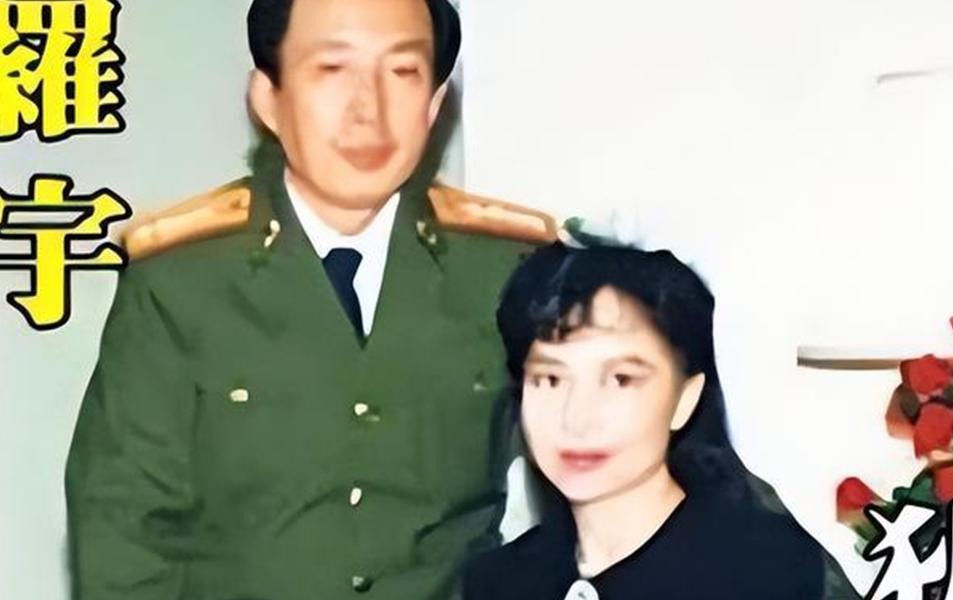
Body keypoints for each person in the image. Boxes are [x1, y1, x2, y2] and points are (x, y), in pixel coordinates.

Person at [64, 1, 557, 598]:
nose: (368, 110)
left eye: (402, 72)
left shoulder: (504, 268)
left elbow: (599, 474)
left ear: (433, 106)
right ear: (268, 99)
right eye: (332, 70)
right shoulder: (182, 280)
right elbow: (123, 530)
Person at [463, 244, 860, 599]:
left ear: (685, 398)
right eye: (550, 378)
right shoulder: (498, 582)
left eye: (620, 379)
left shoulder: (771, 573)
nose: (576, 418)